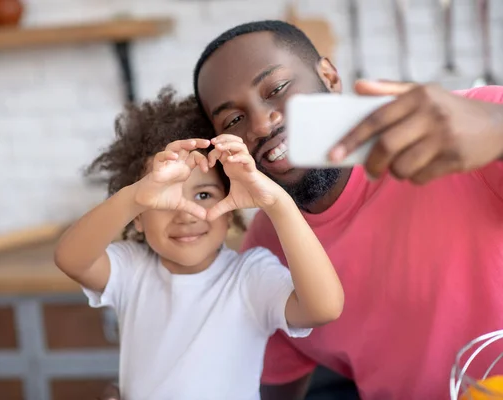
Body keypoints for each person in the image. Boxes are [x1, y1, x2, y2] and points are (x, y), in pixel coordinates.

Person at [190, 20, 503, 400]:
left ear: (329, 76)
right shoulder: (265, 253)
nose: (260, 123)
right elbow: (272, 385)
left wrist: (496, 126)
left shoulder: (467, 126)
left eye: (277, 89)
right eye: (233, 120)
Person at [54, 87, 344, 400]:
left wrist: (278, 204)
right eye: (166, 199)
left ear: (231, 206)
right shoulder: (131, 269)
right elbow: (70, 259)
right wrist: (133, 197)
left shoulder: (249, 276)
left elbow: (323, 308)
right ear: (138, 216)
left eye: (203, 195)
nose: (186, 213)